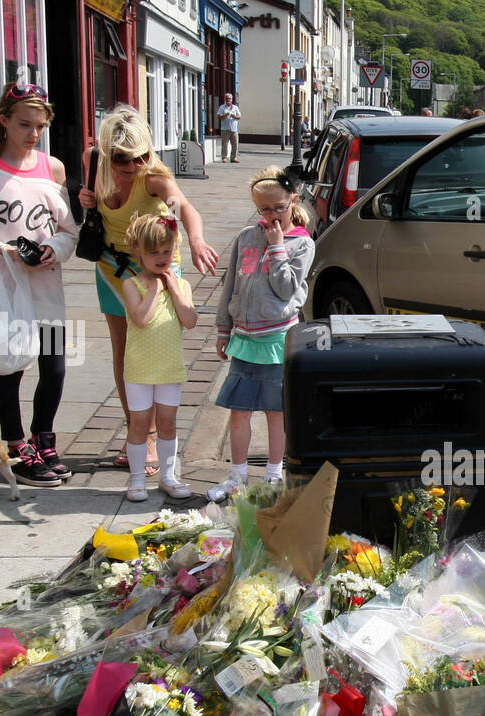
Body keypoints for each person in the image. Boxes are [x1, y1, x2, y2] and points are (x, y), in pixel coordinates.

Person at [78, 105, 219, 477]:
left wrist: (196, 239)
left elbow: (184, 207)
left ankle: (153, 435)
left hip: (155, 269)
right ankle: (136, 429)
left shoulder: (153, 178)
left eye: (141, 156)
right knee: (124, 352)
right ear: (108, 151)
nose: (132, 166)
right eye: (123, 158)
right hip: (113, 270)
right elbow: (84, 201)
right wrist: (84, 199)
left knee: (155, 348)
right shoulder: (92, 161)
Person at [0, 83, 78, 487]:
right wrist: (0, 247)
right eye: (25, 124)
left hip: (46, 286)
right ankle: (16, 445)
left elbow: (68, 231)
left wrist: (52, 250)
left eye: (40, 126)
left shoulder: (52, 168)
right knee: (11, 367)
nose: (33, 134)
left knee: (54, 368)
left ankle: (45, 437)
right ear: (3, 120)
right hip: (6, 288)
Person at [208, 167, 315, 501]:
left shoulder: (302, 243)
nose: (271, 216)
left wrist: (277, 247)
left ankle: (273, 473)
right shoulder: (245, 237)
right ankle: (237, 475)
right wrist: (224, 328)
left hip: (277, 339)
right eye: (263, 209)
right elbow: (231, 287)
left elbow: (285, 289)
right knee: (239, 410)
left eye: (278, 208)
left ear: (293, 200)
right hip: (244, 338)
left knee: (275, 411)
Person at [119, 213, 197, 502]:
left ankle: (168, 476)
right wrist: (154, 290)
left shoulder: (182, 285)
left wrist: (175, 289)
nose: (162, 258)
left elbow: (189, 320)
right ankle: (137, 478)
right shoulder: (132, 284)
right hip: (140, 367)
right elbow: (140, 319)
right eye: (154, 253)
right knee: (140, 422)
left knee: (168, 422)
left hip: (169, 366)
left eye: (167, 251)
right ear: (138, 251)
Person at [217, 93, 241, 162]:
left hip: (234, 129)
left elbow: (239, 117)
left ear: (232, 99)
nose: (228, 100)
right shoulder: (222, 107)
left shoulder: (235, 108)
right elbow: (219, 117)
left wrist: (234, 116)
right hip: (225, 129)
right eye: (227, 98)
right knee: (225, 145)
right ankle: (224, 157)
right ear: (225, 99)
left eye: (229, 98)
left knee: (235, 144)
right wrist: (225, 114)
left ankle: (233, 158)